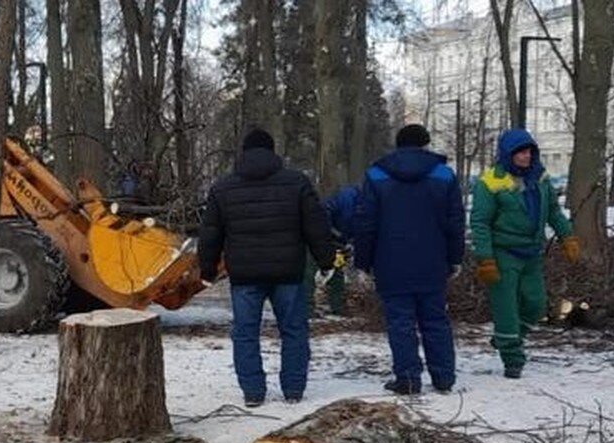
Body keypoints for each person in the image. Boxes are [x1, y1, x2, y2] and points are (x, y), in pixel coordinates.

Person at [198, 127, 337, 407]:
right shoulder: (297, 182)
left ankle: (253, 391)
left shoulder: (223, 187)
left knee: (245, 333)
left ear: (244, 153)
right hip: (288, 271)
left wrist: (207, 269)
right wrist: (326, 261)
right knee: (294, 330)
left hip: (244, 275)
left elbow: (210, 232)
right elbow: (316, 226)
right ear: (273, 152)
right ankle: (294, 388)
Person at [354, 123, 465, 395]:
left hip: (390, 260)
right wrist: (455, 258)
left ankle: (408, 377)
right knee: (435, 319)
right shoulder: (444, 175)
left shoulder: (377, 175)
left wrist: (363, 262)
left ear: (398, 145)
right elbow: (455, 222)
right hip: (433, 259)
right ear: (426, 144)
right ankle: (444, 377)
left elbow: (365, 222)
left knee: (400, 322)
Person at [469, 128, 578, 378]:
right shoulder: (490, 182)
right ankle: (513, 359)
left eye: (529, 151)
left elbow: (553, 211)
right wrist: (485, 258)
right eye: (520, 152)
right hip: (502, 253)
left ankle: (506, 338)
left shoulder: (539, 178)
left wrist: (567, 236)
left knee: (536, 304)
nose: (526, 156)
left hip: (531, 253)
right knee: (506, 309)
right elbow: (480, 222)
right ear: (508, 154)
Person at [305, 184, 359, 316]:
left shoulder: (371, 204)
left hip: (340, 242)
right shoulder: (347, 197)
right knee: (309, 270)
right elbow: (323, 213)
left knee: (337, 272)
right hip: (319, 238)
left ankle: (338, 305)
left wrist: (350, 242)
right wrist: (333, 233)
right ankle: (306, 308)